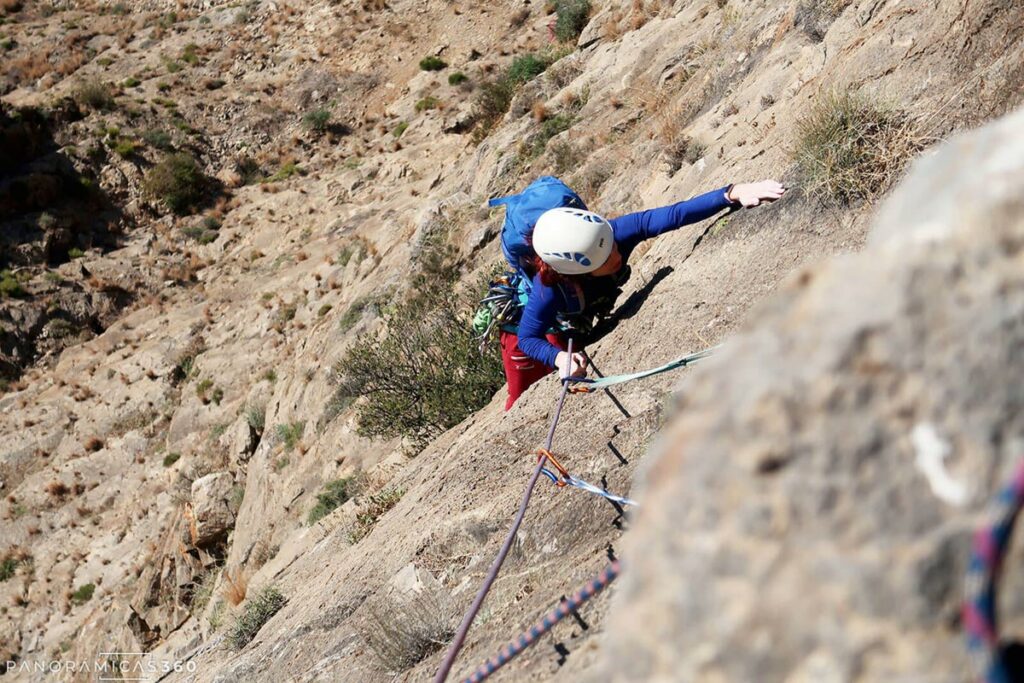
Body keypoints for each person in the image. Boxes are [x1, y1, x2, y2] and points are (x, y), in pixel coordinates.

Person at [500, 180, 786, 409]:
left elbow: (674, 214)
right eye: (604, 258)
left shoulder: (611, 233)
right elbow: (527, 337)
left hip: (578, 314)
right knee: (519, 394)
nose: (615, 255)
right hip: (537, 327)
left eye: (611, 246)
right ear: (577, 270)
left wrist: (731, 193)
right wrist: (558, 358)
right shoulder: (548, 289)